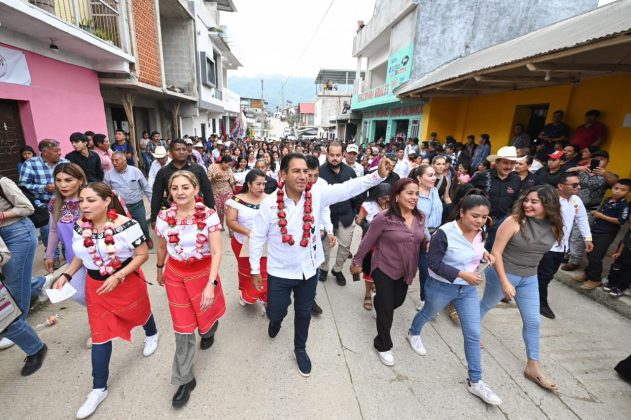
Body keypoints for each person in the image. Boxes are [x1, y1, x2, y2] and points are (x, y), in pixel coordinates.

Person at [249, 153, 392, 377]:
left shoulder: (316, 194)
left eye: (305, 171)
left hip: (309, 268)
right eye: (296, 171)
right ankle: (276, 320)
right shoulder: (269, 204)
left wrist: (378, 176)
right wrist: (254, 269)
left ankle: (300, 349)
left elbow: (347, 188)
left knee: (304, 312)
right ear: (283, 174)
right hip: (280, 271)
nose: (303, 176)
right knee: (276, 310)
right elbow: (257, 237)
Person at [52, 182, 159, 418]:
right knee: (100, 334)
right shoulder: (80, 226)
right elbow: (80, 256)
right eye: (82, 200)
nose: (84, 205)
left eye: (91, 200)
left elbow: (142, 255)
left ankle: (152, 333)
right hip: (96, 288)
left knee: (140, 313)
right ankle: (98, 388)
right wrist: (66, 275)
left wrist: (119, 275)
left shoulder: (127, 225)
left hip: (126, 282)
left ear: (107, 201)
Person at [408, 193, 501, 406]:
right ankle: (413, 332)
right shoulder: (444, 233)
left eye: (484, 217)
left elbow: (476, 247)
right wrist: (462, 274)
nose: (480, 221)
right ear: (462, 212)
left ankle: (475, 381)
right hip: (441, 286)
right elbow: (433, 263)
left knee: (473, 333)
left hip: (467, 290)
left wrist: (485, 254)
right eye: (475, 216)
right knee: (428, 313)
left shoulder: (481, 231)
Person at [480, 185, 564, 391]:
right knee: (485, 305)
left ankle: (533, 366)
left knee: (533, 321)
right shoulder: (514, 221)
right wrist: (505, 282)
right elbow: (496, 253)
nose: (527, 204)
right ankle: (472, 330)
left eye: (534, 202)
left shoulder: (555, 226)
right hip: (503, 272)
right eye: (526, 200)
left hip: (530, 277)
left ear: (548, 204)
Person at [155, 171, 225, 408]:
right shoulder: (164, 217)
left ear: (196, 189)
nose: (180, 192)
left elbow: (216, 251)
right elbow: (162, 246)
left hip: (203, 273)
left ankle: (209, 330)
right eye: (174, 188)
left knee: (205, 316)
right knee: (183, 328)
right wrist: (159, 268)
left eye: (185, 187)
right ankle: (185, 379)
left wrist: (210, 285)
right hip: (175, 275)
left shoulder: (209, 215)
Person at [351, 178, 427, 366]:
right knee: (386, 310)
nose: (414, 197)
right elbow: (367, 241)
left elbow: (420, 237)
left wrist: (428, 243)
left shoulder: (420, 217)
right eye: (409, 193)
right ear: (397, 196)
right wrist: (356, 261)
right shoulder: (383, 218)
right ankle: (383, 345)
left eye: (417, 194)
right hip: (383, 267)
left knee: (397, 301)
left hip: (407, 269)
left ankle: (378, 302)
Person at [0, 176, 48, 376]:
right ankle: (40, 283)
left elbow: (27, 208)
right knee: (16, 284)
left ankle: (31, 344)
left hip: (18, 234)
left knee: (12, 302)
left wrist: (2, 215)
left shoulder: (2, 182)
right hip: (3, 241)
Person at [536, 173, 593, 319]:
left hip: (562, 246)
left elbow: (582, 219)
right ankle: (540, 303)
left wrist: (587, 238)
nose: (578, 187)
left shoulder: (576, 200)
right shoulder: (549, 199)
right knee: (544, 275)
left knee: (549, 274)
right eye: (574, 185)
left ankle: (524, 290)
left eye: (579, 184)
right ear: (561, 186)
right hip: (545, 245)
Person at [45, 164, 89, 311]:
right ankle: (99, 314)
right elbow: (53, 230)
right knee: (78, 294)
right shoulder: (54, 203)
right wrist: (49, 254)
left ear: (80, 180)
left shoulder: (89, 201)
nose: (63, 185)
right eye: (58, 180)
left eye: (68, 180)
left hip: (95, 257)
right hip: (72, 258)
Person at [19, 139, 68, 264]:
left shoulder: (65, 163)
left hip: (65, 202)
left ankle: (68, 252)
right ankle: (53, 255)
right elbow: (23, 185)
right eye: (56, 151)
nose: (60, 153)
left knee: (67, 228)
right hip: (43, 204)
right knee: (48, 230)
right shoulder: (30, 164)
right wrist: (43, 188)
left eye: (60, 150)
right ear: (45, 152)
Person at [226, 169, 268, 311]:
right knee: (247, 271)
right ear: (249, 184)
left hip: (265, 244)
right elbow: (230, 221)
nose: (262, 187)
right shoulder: (236, 200)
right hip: (242, 243)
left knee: (265, 272)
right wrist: (249, 233)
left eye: (264, 184)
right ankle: (246, 294)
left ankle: (264, 298)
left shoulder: (270, 199)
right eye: (258, 184)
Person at [318, 142, 359, 286]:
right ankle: (323, 268)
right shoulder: (319, 173)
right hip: (326, 218)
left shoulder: (350, 172)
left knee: (345, 246)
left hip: (346, 216)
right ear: (327, 154)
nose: (335, 158)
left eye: (338, 155)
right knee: (325, 247)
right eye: (332, 155)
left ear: (343, 155)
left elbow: (357, 194)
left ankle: (337, 269)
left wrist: (355, 212)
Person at [579, 179, 631, 290]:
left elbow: (620, 220)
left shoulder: (624, 205)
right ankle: (588, 274)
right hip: (595, 230)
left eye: (623, 190)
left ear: (628, 192)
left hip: (606, 233)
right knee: (590, 253)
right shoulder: (608, 199)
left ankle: (595, 279)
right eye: (616, 188)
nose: (618, 191)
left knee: (596, 256)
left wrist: (601, 216)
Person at [150, 139, 216, 226]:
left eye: (184, 149)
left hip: (197, 212)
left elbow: (207, 191)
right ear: (170, 153)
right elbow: (156, 196)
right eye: (177, 149)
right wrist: (154, 218)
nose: (181, 152)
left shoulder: (198, 169)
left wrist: (211, 210)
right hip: (174, 214)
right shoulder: (163, 172)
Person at [469, 146, 523, 249]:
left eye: (512, 163)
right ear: (497, 162)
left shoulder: (516, 180)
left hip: (502, 220)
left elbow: (516, 200)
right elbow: (467, 192)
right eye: (505, 163)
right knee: (474, 247)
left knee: (493, 248)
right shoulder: (482, 176)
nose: (509, 166)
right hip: (480, 220)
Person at [104, 152, 154, 249]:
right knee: (125, 227)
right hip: (120, 208)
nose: (114, 163)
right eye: (112, 160)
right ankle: (131, 244)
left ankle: (147, 239)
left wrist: (153, 202)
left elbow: (146, 187)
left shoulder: (135, 171)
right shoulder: (108, 175)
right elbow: (106, 193)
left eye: (116, 160)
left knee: (142, 225)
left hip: (137, 205)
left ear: (124, 160)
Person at [354, 183, 391, 310]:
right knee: (369, 269)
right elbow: (358, 220)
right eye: (383, 198)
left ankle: (376, 283)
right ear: (377, 195)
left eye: (388, 198)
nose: (386, 201)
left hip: (386, 243)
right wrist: (368, 226)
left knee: (382, 268)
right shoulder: (368, 205)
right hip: (371, 242)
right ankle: (367, 294)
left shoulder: (393, 205)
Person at [410, 165, 442, 306]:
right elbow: (418, 221)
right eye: (430, 175)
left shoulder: (435, 191)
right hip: (420, 236)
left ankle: (429, 299)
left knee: (432, 270)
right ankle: (424, 300)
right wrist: (428, 239)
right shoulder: (414, 195)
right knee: (423, 269)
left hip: (437, 234)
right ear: (419, 178)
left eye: (434, 175)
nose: (434, 178)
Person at [603, 224, 631, 297]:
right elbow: (623, 243)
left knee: (626, 275)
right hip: (622, 256)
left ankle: (620, 288)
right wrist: (619, 252)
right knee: (615, 270)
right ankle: (611, 283)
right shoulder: (628, 234)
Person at [208, 155, 236, 228]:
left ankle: (231, 228)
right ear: (223, 162)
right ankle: (221, 225)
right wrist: (214, 178)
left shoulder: (229, 169)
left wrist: (233, 186)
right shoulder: (212, 167)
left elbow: (231, 179)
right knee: (220, 211)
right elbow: (208, 180)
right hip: (216, 192)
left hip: (228, 191)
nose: (229, 166)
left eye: (230, 165)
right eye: (228, 164)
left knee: (228, 210)